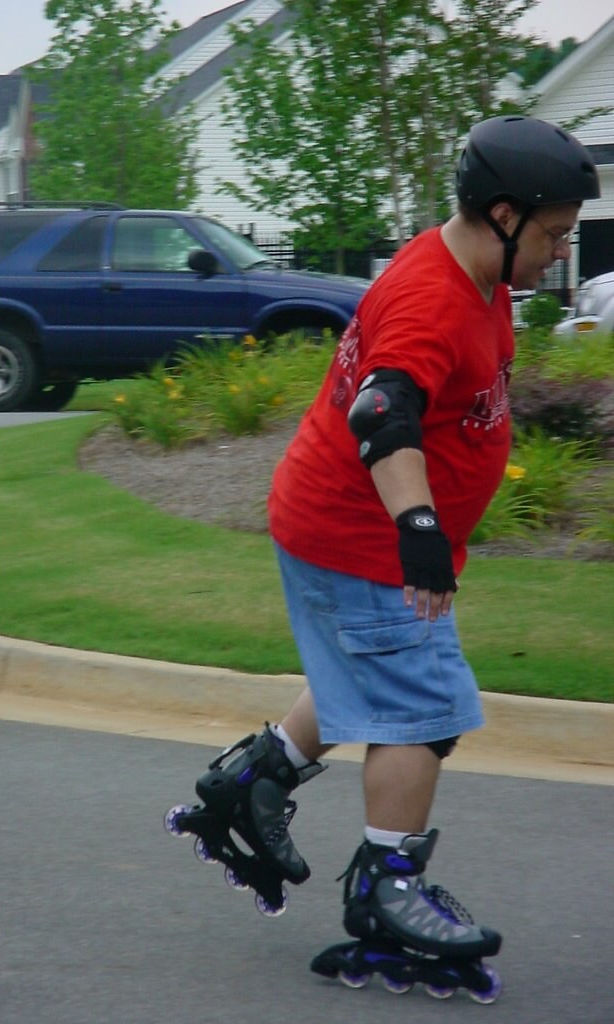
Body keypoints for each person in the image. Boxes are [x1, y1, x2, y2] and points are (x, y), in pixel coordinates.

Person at [170, 115, 599, 996]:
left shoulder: (472, 272)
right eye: (555, 234)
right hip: (360, 536)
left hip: (333, 522)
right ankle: (387, 888)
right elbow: (381, 410)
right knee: (422, 708)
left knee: (366, 675)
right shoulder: (434, 297)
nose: (560, 252)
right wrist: (421, 532)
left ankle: (255, 779)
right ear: (506, 214)